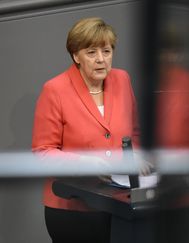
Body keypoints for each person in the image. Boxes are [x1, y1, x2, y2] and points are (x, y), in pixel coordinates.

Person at [32, 17, 140, 242]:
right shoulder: (55, 90)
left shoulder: (122, 79)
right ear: (76, 56)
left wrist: (135, 159)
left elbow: (134, 134)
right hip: (72, 210)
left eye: (107, 51)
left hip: (118, 205)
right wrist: (88, 164)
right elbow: (43, 152)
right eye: (91, 52)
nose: (101, 59)